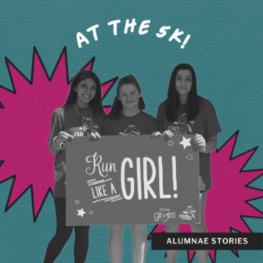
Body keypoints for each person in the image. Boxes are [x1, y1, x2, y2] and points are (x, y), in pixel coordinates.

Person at [156, 63, 222, 263]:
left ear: (194, 82)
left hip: (197, 176)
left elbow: (213, 144)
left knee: (195, 221)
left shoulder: (205, 106)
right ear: (172, 81)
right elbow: (156, 141)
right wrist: (160, 137)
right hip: (170, 175)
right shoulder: (163, 107)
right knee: (171, 222)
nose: (183, 83)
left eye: (188, 78)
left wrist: (203, 145)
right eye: (179, 78)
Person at [44, 70, 104, 263]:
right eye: (84, 86)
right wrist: (58, 139)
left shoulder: (100, 117)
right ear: (76, 87)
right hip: (65, 185)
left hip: (88, 184)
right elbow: (53, 150)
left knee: (83, 233)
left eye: (93, 88)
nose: (88, 91)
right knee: (63, 232)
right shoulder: (60, 114)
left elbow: (106, 152)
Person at [102, 74, 157, 263]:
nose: (128, 98)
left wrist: (163, 139)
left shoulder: (150, 121)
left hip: (142, 182)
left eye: (132, 93)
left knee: (139, 229)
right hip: (114, 181)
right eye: (123, 94)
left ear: (140, 94)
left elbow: (161, 152)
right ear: (117, 97)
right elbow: (97, 150)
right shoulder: (108, 121)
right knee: (115, 228)